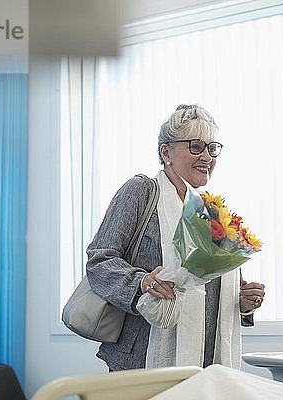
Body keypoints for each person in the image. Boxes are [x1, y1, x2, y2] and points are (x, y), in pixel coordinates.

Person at [85, 104, 265, 372]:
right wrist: (142, 282)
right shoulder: (142, 191)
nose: (206, 156)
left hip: (204, 364)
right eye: (195, 146)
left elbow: (214, 289)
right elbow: (99, 261)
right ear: (165, 152)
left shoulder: (211, 210)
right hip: (141, 361)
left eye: (211, 148)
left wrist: (244, 303)